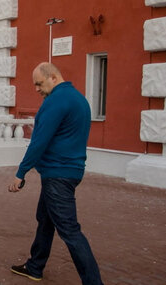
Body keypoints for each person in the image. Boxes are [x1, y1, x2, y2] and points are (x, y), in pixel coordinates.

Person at [8, 63, 103, 284]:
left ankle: (93, 281)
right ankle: (34, 267)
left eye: (39, 83)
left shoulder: (55, 101)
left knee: (69, 230)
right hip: (70, 170)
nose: (36, 89)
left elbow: (39, 141)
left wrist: (20, 173)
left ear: (53, 77)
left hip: (57, 174)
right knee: (45, 220)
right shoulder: (79, 99)